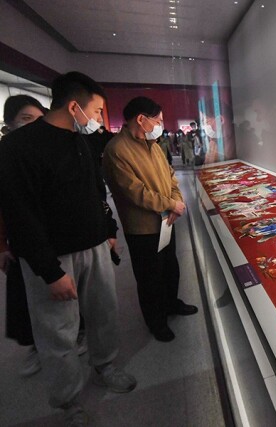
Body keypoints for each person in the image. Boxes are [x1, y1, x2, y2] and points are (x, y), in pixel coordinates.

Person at [0, 71, 136, 425]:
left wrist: (108, 230)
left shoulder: (81, 141)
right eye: (96, 111)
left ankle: (104, 366)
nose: (98, 119)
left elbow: (95, 191)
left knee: (103, 313)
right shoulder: (18, 147)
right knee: (58, 331)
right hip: (53, 256)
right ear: (75, 107)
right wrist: (50, 272)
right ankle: (68, 402)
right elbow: (20, 215)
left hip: (94, 246)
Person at [102, 96, 198, 343]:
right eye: (158, 120)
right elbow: (135, 193)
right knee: (149, 277)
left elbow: (171, 176)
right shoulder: (117, 150)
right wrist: (171, 204)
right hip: (142, 228)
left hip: (166, 221)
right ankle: (156, 321)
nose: (160, 125)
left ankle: (172, 303)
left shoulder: (153, 145)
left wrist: (176, 201)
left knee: (170, 268)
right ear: (141, 119)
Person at [1, 94, 47, 376]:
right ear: (9, 124)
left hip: (54, 237)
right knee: (26, 296)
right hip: (22, 240)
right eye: (26, 119)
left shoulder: (47, 152)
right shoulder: (5, 155)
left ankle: (74, 334)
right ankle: (36, 345)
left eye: (39, 119)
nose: (34, 126)